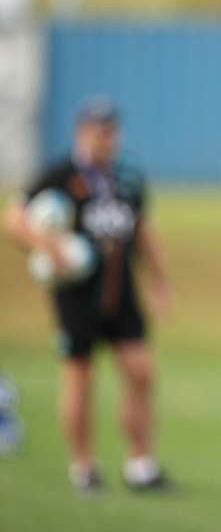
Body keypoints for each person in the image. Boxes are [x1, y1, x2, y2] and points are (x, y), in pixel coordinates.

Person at [4, 97, 171, 491]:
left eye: (111, 131)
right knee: (80, 376)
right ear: (82, 132)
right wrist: (50, 249)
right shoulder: (61, 174)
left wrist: (158, 280)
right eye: (98, 131)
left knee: (140, 370)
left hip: (120, 288)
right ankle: (83, 467)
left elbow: (141, 229)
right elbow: (14, 219)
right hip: (77, 294)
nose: (105, 138)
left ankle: (141, 464)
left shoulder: (128, 175)